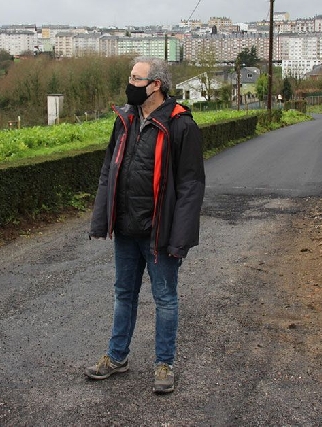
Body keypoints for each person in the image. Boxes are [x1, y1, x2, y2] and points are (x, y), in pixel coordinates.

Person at [85, 57, 205, 394]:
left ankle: (164, 363)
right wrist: (101, 218)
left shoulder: (181, 125)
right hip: (126, 228)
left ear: (155, 85)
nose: (129, 83)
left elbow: (191, 186)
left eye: (136, 78)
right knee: (124, 294)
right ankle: (117, 356)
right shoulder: (125, 120)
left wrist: (179, 238)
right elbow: (109, 170)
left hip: (158, 232)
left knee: (165, 299)